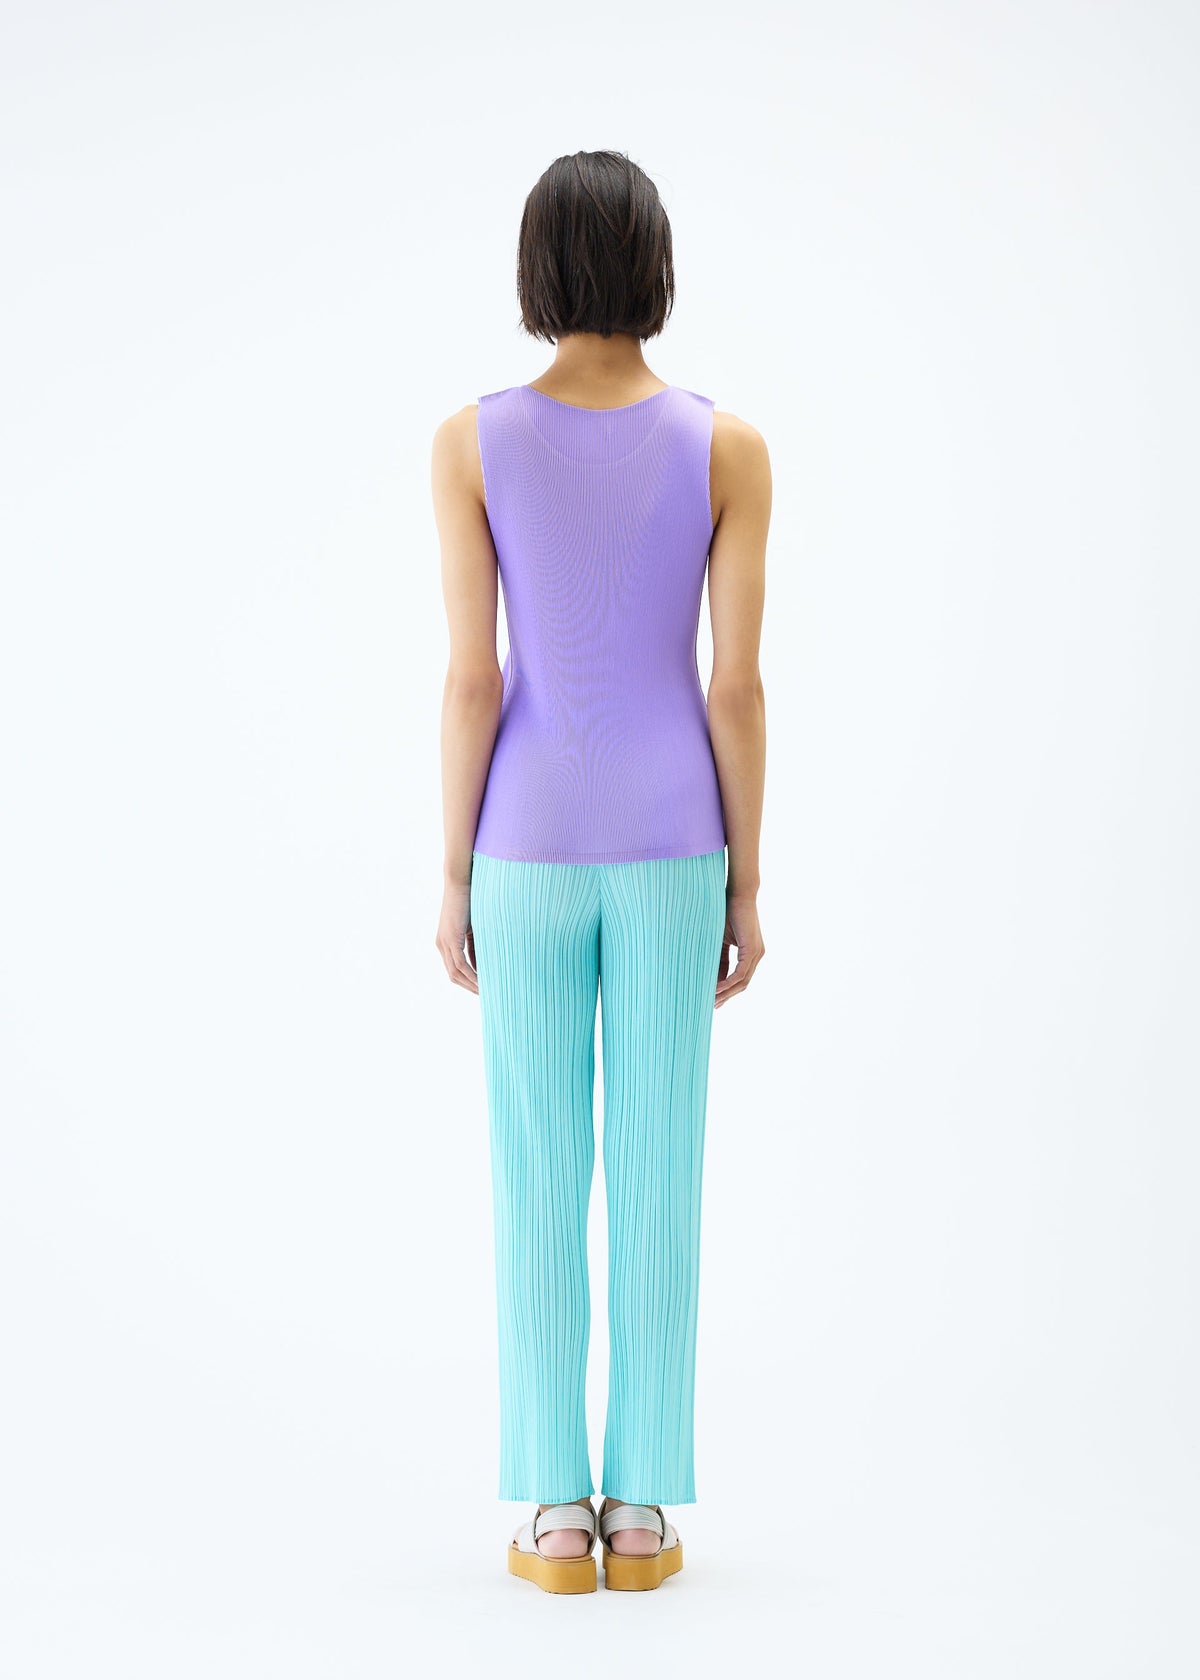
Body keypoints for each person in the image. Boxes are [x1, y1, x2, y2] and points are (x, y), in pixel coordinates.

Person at [432, 149, 770, 1594]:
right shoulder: (727, 446)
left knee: (535, 1167)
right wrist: (745, 886)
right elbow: (735, 684)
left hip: (522, 838)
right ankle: (641, 1514)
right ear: (656, 263)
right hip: (676, 838)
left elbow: (474, 678)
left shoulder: (471, 442)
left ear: (536, 269)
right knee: (657, 1166)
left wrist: (453, 877)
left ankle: (553, 1516)